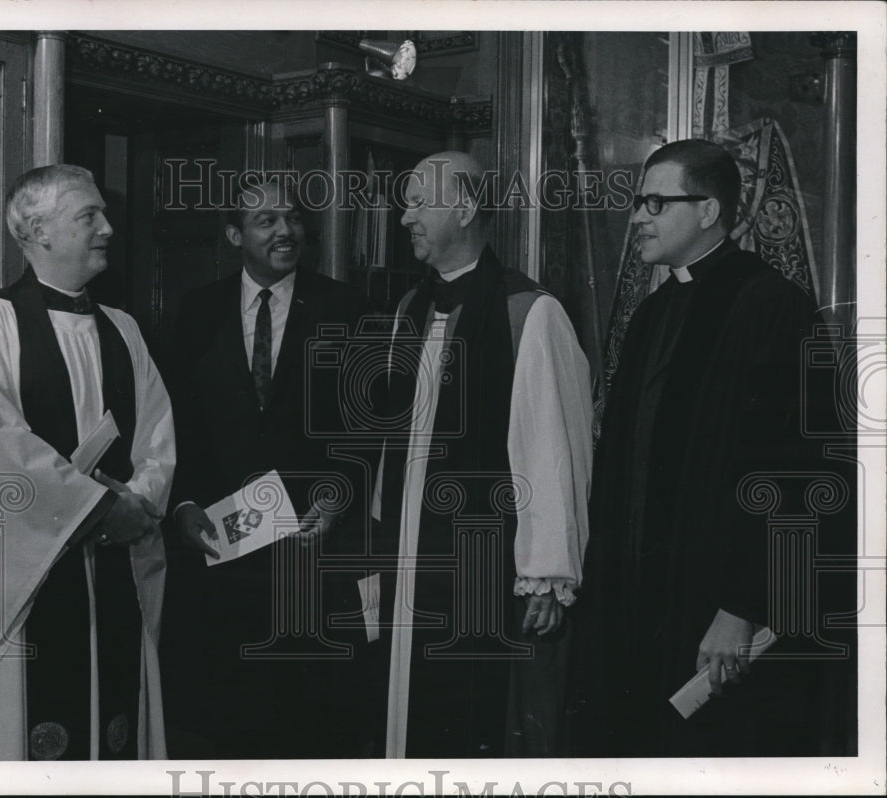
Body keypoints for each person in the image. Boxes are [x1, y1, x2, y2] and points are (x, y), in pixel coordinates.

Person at [574, 138, 825, 756]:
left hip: (715, 610)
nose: (637, 218)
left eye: (656, 204)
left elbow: (797, 473)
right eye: (639, 203)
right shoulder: (651, 314)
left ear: (709, 210)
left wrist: (743, 605)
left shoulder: (773, 306)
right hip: (635, 604)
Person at [0, 164, 174, 760]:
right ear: (38, 231)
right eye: (89, 216)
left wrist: (137, 501)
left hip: (110, 571)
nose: (108, 227)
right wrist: (103, 508)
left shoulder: (124, 329)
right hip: (21, 584)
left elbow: (158, 438)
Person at [373, 151, 593, 758]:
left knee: (472, 719)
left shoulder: (530, 312)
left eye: (419, 201)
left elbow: (552, 447)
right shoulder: (409, 310)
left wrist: (547, 572)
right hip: (409, 553)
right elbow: (394, 445)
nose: (404, 218)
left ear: (465, 208)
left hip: (483, 565)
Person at [161, 176, 370, 758]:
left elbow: (365, 429)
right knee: (227, 727)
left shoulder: (346, 307)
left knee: (310, 728)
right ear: (235, 235)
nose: (286, 231)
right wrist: (181, 505)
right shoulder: (197, 310)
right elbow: (177, 425)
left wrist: (336, 497)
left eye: (294, 218)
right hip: (221, 557)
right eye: (267, 221)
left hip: (311, 553)